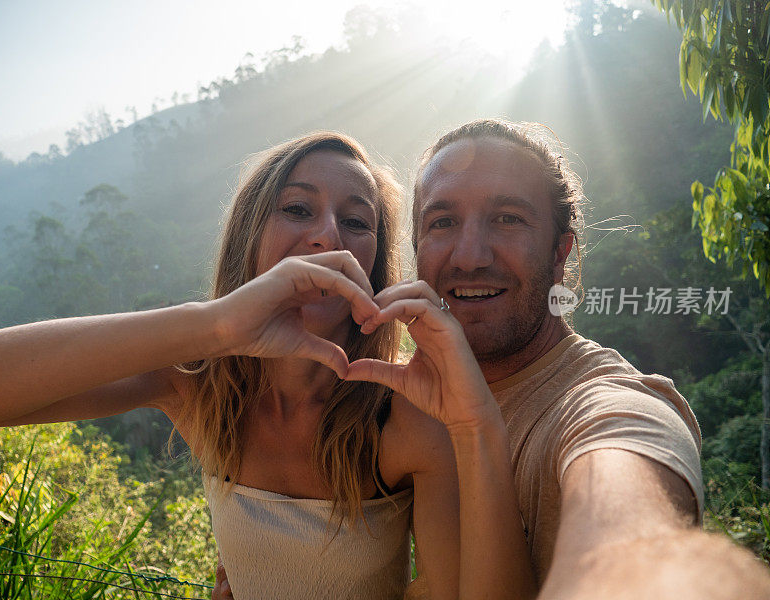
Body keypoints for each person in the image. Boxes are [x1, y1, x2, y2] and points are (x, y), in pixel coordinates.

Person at [213, 119, 770, 599]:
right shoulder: (392, 394)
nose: (471, 255)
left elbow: (638, 542)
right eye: (442, 223)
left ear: (560, 254)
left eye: (508, 219)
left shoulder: (606, 411)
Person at [0, 132, 535, 600]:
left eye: (358, 222)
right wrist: (217, 324)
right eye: (296, 209)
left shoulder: (402, 415)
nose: (326, 236)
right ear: (249, 240)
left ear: (376, 262)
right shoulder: (195, 385)